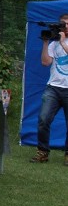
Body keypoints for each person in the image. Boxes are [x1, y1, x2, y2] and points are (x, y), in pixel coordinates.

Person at [30, 14, 68, 165]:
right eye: (63, 24)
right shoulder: (54, 44)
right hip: (53, 87)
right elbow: (45, 62)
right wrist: (46, 43)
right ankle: (42, 152)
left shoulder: (61, 41)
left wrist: (63, 41)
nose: (64, 27)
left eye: (67, 24)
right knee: (43, 119)